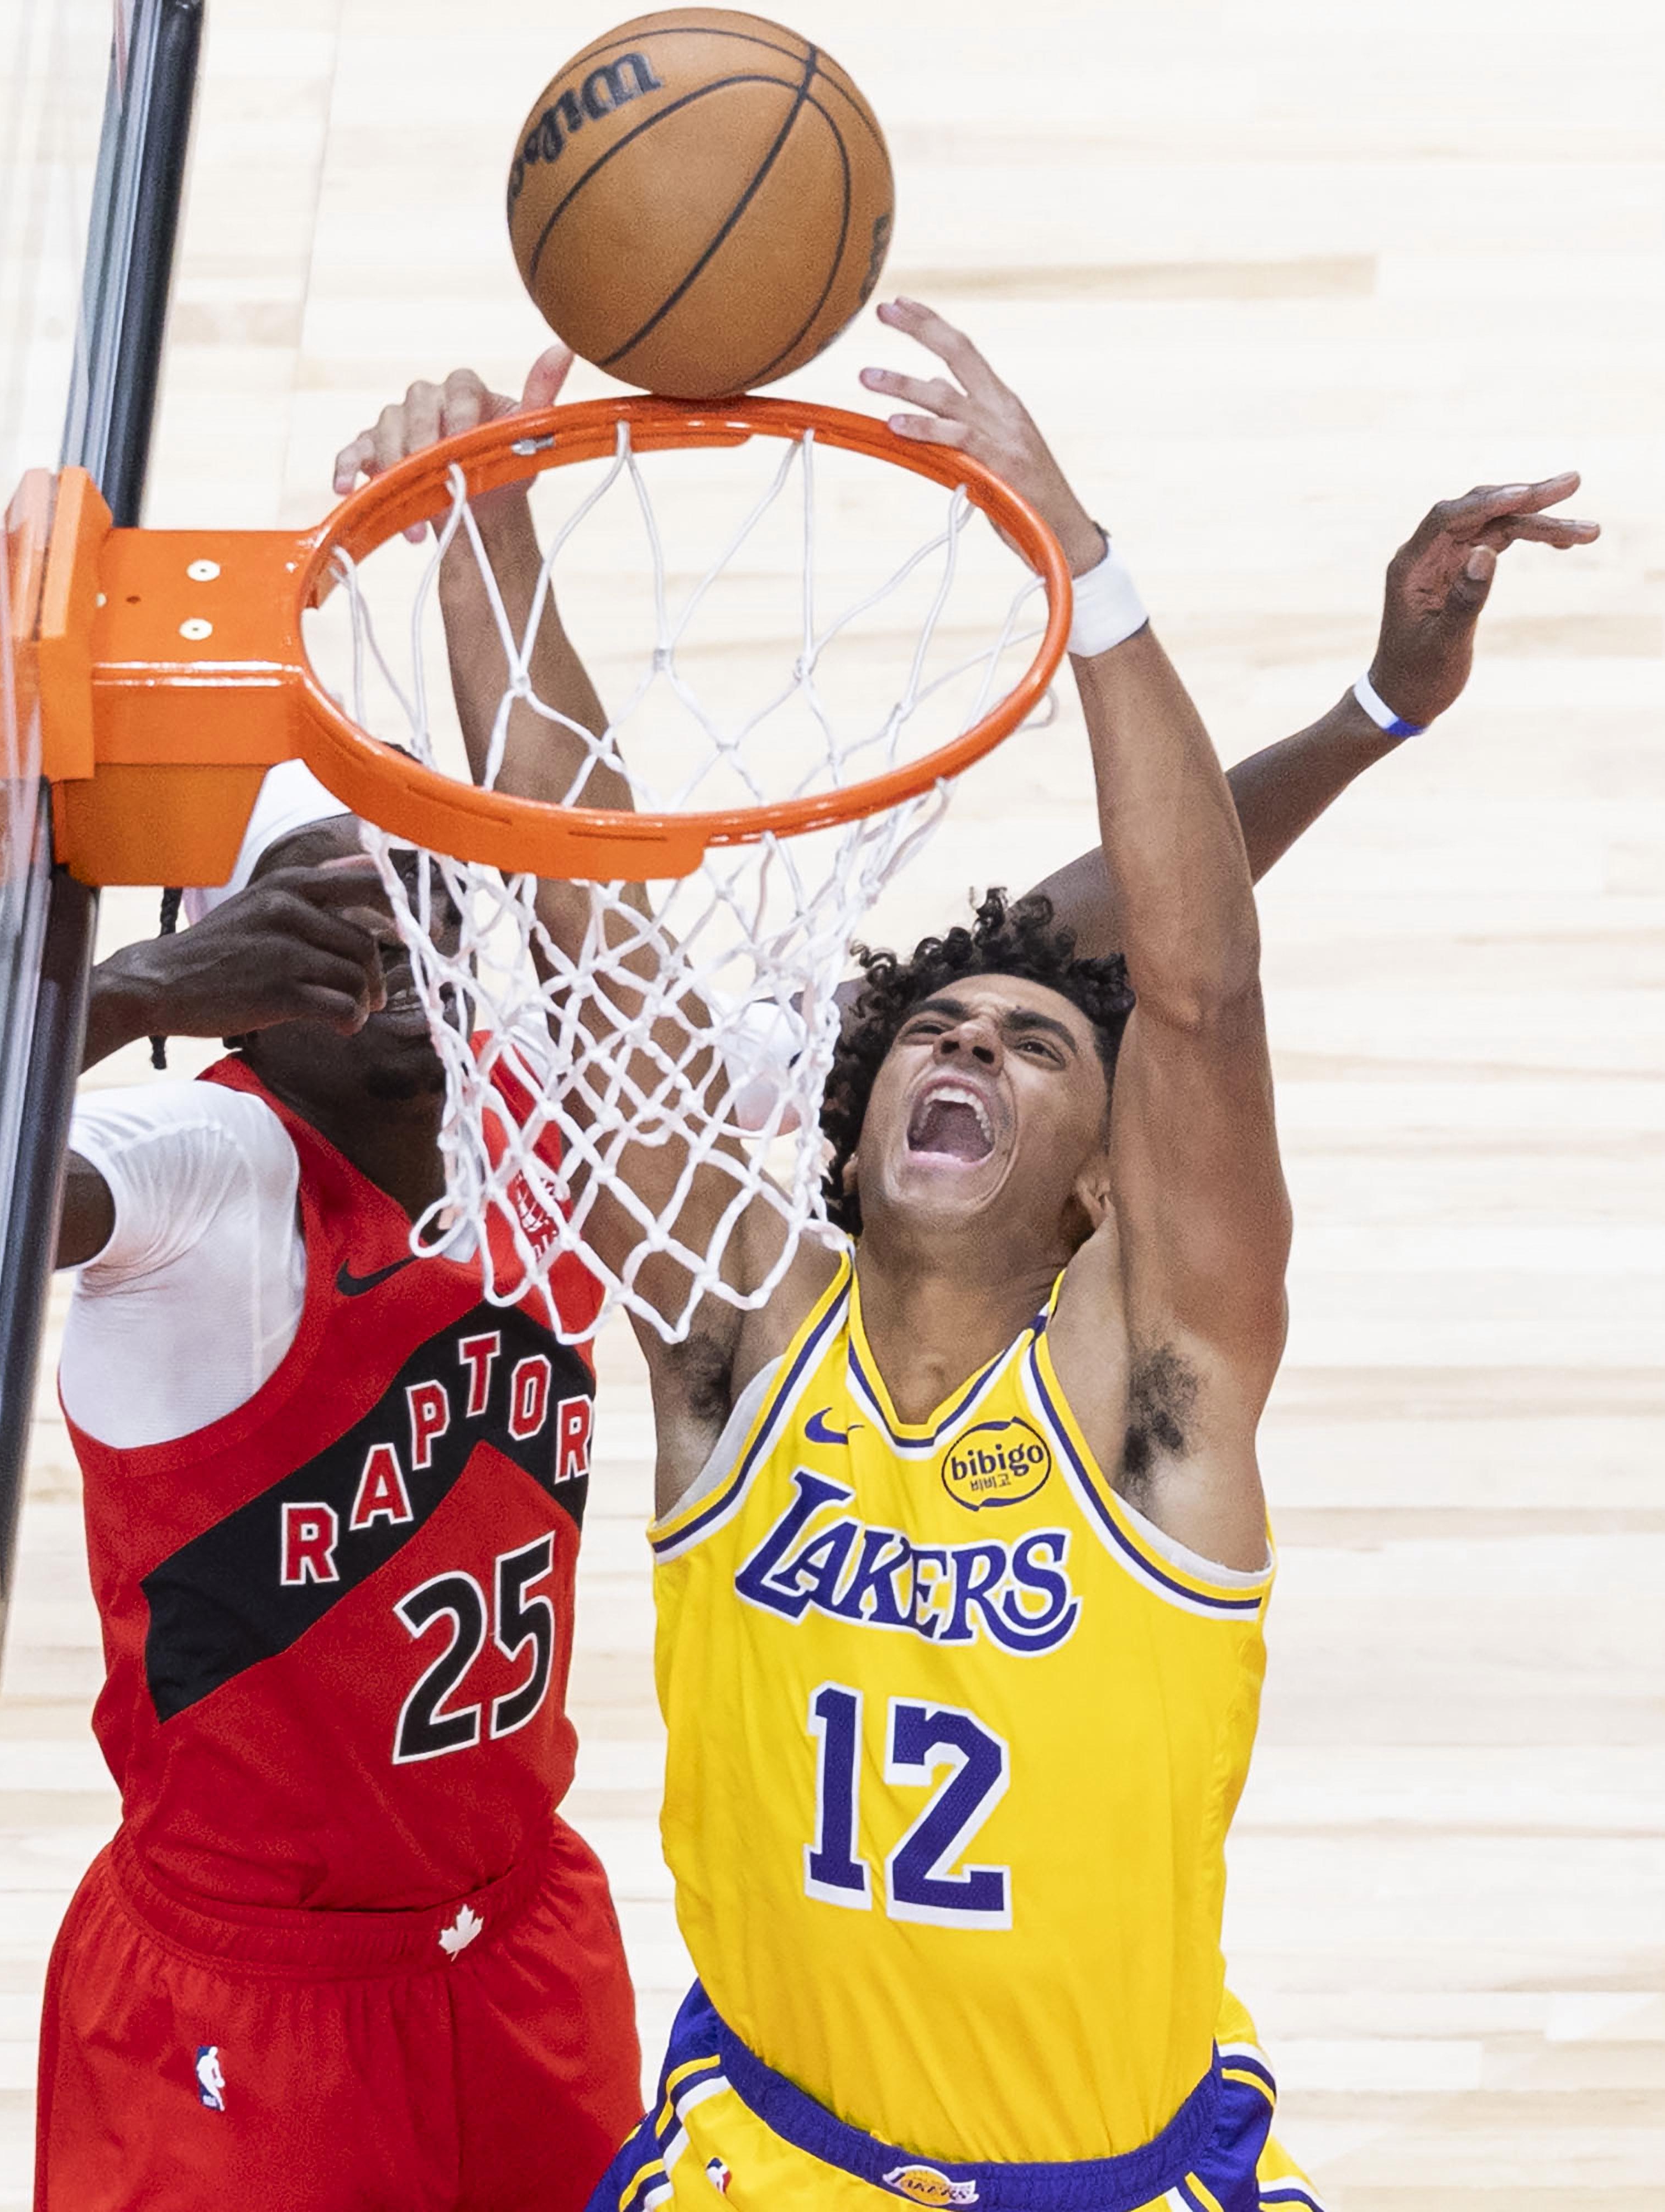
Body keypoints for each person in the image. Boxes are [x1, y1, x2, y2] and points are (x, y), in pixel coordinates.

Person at [526, 301, 1594, 2205]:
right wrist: (487, 552)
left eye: (1034, 1048)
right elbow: (597, 926)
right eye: (938, 1031)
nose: (969, 1048)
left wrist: (1086, 570)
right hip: (761, 2161)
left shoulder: (1147, 1408)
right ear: (853, 1114)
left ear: (1106, 1186)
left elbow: (1197, 991)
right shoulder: (740, 1345)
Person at [32, 349, 648, 2212]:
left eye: (434, 902)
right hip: (245, 2008)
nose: (394, 938)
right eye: (323, 908)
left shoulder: (568, 1129)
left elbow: (603, 883)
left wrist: (492, 547)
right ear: (232, 969)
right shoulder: (189, 1169)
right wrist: (121, 997)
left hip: (521, 1943)